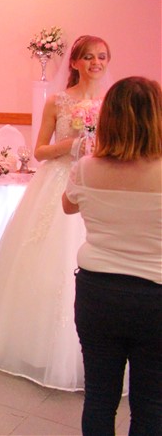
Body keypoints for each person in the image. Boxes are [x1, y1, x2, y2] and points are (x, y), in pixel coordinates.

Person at [0, 35, 113, 391]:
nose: (96, 63)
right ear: (74, 62)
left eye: (102, 56)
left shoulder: (113, 101)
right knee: (47, 262)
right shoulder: (57, 101)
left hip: (97, 183)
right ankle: (37, 347)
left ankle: (93, 352)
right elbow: (40, 151)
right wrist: (72, 144)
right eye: (88, 57)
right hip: (58, 182)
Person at [62, 77, 162, 435]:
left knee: (99, 398)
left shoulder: (87, 168)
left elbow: (68, 206)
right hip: (155, 295)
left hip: (98, 293)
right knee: (152, 404)